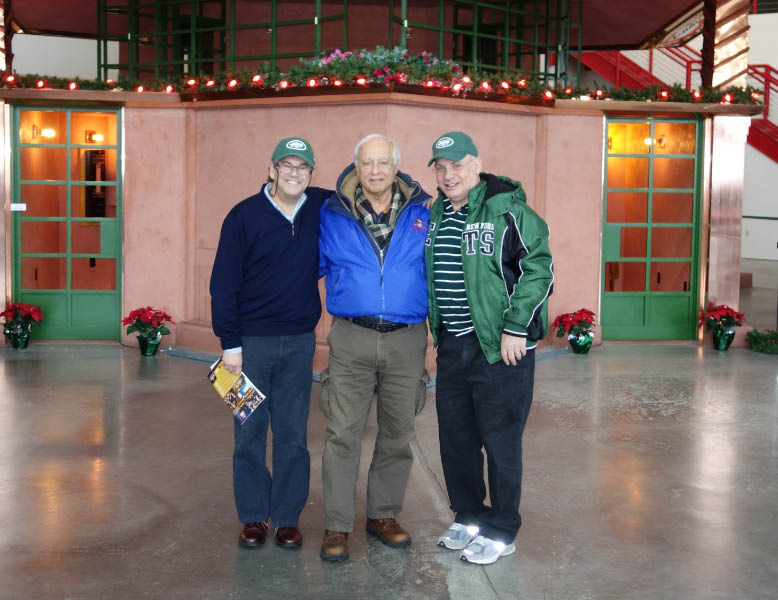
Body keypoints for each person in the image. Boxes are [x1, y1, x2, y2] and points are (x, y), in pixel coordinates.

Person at [425, 131, 554, 565]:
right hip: (453, 344)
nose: (449, 175)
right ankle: (469, 516)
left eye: (457, 165)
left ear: (476, 165)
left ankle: (501, 530)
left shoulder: (507, 208)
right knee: (456, 439)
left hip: (500, 348)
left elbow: (539, 267)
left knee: (501, 442)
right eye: (441, 168)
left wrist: (517, 326)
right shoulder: (438, 213)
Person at [210, 137, 331, 550]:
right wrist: (230, 344)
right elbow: (223, 284)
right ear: (272, 170)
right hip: (249, 344)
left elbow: (363, 185)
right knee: (249, 432)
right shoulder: (243, 215)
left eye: (302, 167)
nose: (294, 173)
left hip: (299, 342)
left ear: (311, 174)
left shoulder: (320, 206)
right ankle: (252, 516)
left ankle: (285, 518)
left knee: (292, 434)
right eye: (287, 165)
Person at [317, 134, 432, 562]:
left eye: (384, 162)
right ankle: (337, 524)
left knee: (398, 433)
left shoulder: (424, 211)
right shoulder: (331, 213)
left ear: (396, 166)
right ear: (356, 167)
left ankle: (383, 514)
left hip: (407, 338)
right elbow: (302, 266)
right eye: (367, 162)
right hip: (352, 336)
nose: (376, 170)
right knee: (342, 434)